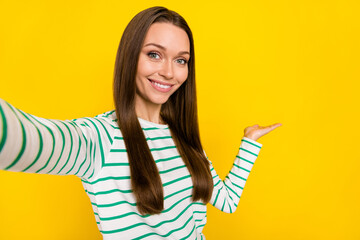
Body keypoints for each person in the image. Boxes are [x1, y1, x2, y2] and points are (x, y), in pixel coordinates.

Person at [0, 6, 282, 240]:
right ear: (129, 57)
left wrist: (249, 143)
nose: (169, 72)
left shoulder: (183, 140)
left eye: (181, 60)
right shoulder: (100, 139)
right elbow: (25, 137)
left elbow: (228, 202)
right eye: (154, 54)